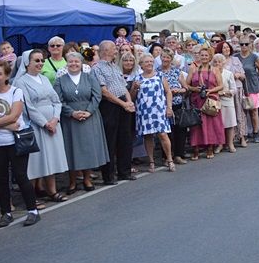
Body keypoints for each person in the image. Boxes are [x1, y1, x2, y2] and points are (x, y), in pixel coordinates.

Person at [0, 60, 39, 227]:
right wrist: (6, 124)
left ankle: (32, 210)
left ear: (6, 76)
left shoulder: (15, 92)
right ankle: (6, 213)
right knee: (1, 179)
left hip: (14, 142)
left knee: (20, 176)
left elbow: (15, 116)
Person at [13, 50, 70, 203]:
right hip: (36, 125)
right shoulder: (21, 82)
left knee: (50, 157)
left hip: (52, 122)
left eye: (42, 61)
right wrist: (44, 123)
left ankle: (52, 190)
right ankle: (31, 195)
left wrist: (55, 119)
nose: (40, 64)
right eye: (36, 61)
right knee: (35, 160)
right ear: (27, 63)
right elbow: (28, 107)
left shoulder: (44, 79)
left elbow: (56, 101)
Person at [53, 52, 109, 193]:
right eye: (70, 62)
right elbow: (58, 100)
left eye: (76, 62)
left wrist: (89, 111)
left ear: (81, 63)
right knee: (71, 149)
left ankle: (87, 179)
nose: (73, 64)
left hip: (89, 116)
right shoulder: (60, 80)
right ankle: (72, 181)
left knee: (88, 148)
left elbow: (97, 96)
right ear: (67, 63)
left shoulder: (89, 77)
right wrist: (71, 113)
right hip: (70, 119)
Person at [93, 41, 137, 184]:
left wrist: (129, 102)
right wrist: (123, 103)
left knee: (125, 138)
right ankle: (109, 175)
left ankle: (125, 171)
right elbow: (104, 91)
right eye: (114, 48)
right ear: (106, 50)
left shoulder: (115, 67)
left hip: (123, 103)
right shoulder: (97, 68)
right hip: (109, 106)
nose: (116, 50)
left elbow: (123, 87)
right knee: (110, 140)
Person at [131, 53, 175, 172]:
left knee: (163, 134)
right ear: (141, 65)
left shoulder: (160, 76)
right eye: (146, 62)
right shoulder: (137, 79)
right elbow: (132, 97)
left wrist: (169, 107)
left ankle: (169, 159)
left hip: (159, 110)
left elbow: (168, 92)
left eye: (151, 61)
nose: (149, 63)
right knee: (148, 136)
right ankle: (151, 161)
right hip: (144, 111)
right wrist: (134, 88)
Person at [187, 47, 224, 159]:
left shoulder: (215, 69)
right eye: (201, 55)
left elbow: (221, 85)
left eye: (206, 55)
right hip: (197, 101)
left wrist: (210, 91)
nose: (203, 57)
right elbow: (187, 84)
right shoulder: (193, 69)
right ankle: (196, 149)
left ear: (210, 57)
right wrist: (195, 89)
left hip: (210, 101)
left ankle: (210, 148)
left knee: (212, 125)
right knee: (196, 125)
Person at [157, 48, 188, 165]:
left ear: (171, 59)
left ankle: (179, 155)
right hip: (163, 105)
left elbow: (186, 88)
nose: (165, 59)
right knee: (165, 132)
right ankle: (166, 156)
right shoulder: (156, 72)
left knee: (180, 130)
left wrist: (178, 90)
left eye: (168, 57)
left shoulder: (177, 71)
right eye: (163, 57)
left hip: (177, 103)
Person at [238, 39, 259, 143]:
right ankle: (244, 133)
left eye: (246, 44)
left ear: (250, 45)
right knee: (242, 112)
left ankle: (256, 132)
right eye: (241, 44)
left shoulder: (254, 57)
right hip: (240, 87)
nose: (244, 46)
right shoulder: (236, 57)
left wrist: (254, 76)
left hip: (252, 86)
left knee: (253, 110)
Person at [212, 53, 237, 153]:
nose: (218, 64)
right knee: (219, 124)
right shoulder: (211, 73)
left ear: (223, 63)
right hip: (215, 102)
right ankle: (220, 144)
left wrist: (225, 92)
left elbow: (234, 89)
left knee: (230, 124)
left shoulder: (228, 73)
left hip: (227, 100)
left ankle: (230, 143)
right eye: (215, 62)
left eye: (219, 62)